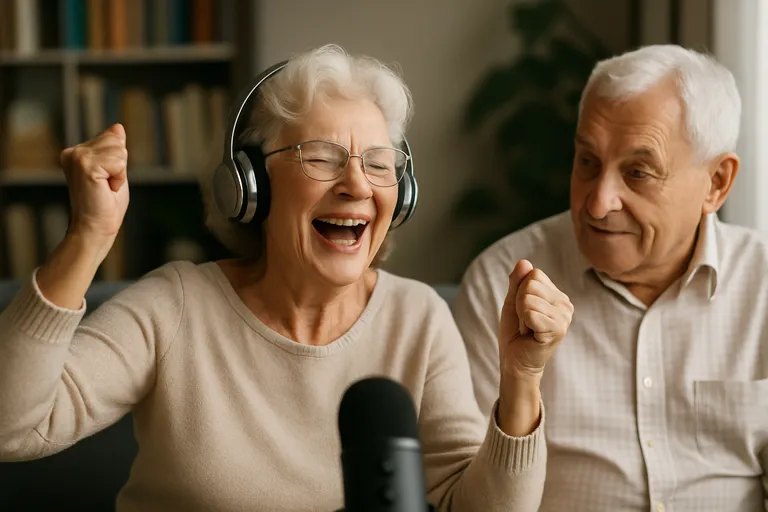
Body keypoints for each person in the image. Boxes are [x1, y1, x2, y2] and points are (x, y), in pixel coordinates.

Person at [0, 45, 574, 512]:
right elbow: (13, 427)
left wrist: (521, 379)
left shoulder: (416, 319)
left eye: (379, 163)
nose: (357, 185)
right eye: (322, 156)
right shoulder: (176, 307)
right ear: (250, 187)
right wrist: (89, 238)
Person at [454, 43, 768, 512]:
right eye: (587, 162)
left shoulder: (761, 286)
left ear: (716, 183)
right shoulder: (501, 283)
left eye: (638, 173)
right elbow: (473, 508)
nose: (598, 203)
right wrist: (522, 377)